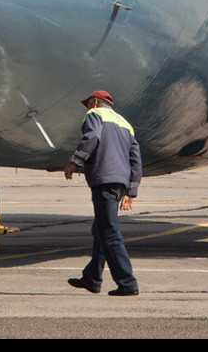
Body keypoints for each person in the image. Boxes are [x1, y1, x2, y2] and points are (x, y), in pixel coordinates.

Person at [64, 89, 141, 296]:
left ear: (96, 101)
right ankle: (92, 278)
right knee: (100, 229)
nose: (87, 107)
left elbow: (92, 137)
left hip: (104, 180)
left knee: (109, 232)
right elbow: (136, 159)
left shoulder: (94, 115)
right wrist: (131, 191)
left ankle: (127, 282)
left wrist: (75, 161)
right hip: (119, 183)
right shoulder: (125, 123)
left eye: (88, 103)